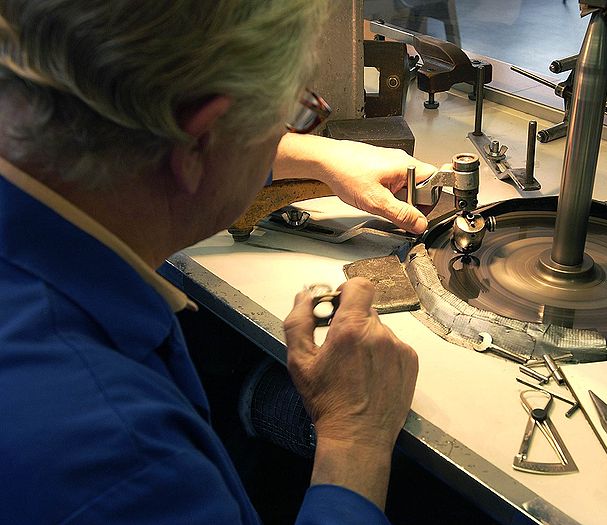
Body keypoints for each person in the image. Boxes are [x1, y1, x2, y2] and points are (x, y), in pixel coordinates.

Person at [0, 1, 435, 523]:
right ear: (201, 137)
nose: (293, 132)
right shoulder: (126, 465)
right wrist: (353, 438)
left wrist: (317, 156)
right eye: (294, 114)